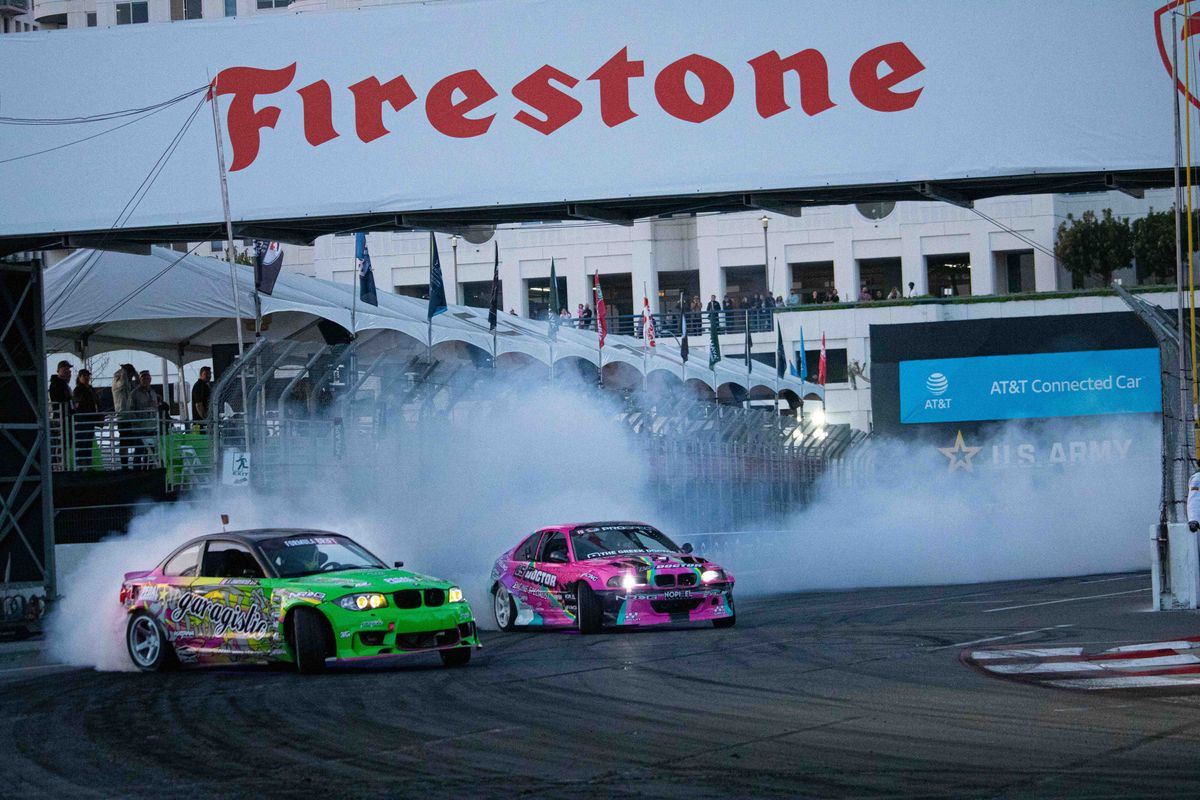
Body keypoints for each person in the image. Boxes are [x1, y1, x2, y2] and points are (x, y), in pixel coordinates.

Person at [72, 368, 99, 469]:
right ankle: (82, 465)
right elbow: (77, 403)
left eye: (88, 376)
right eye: (84, 376)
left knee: (88, 442)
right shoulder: (78, 389)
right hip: (82, 419)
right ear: (79, 378)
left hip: (90, 418)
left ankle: (87, 464)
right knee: (83, 442)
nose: (87, 378)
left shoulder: (90, 388)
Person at [112, 364, 137, 467]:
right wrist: (124, 373)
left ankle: (134, 463)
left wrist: (136, 375)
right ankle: (124, 465)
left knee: (133, 440)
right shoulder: (118, 380)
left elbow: (137, 386)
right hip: (122, 415)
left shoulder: (129, 382)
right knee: (124, 441)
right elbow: (123, 385)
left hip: (130, 416)